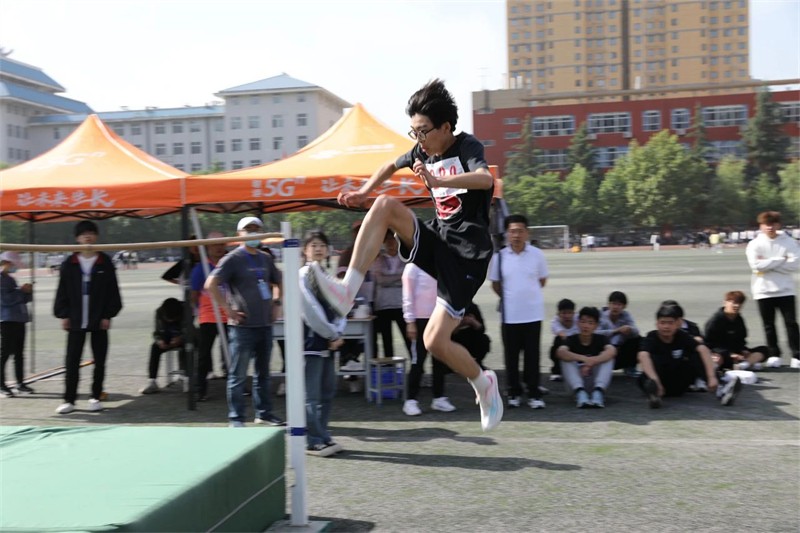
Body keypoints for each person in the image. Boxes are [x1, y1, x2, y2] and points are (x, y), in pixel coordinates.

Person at [305, 79, 503, 431]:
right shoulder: (421, 152)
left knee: (434, 342)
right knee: (383, 205)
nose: (418, 140)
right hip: (440, 240)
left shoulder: (467, 145)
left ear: (445, 127)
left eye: (424, 132)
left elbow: (485, 180)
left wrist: (440, 182)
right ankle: (346, 291)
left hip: (468, 257)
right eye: (414, 132)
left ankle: (483, 383)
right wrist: (364, 191)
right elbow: (389, 165)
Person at [205, 216, 284, 427]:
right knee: (238, 375)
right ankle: (236, 418)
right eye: (248, 230)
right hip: (243, 328)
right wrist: (228, 310)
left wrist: (277, 303)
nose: (253, 233)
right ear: (239, 234)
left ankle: (264, 413)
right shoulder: (232, 259)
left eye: (256, 229)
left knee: (263, 373)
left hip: (264, 324)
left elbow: (279, 280)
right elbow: (211, 284)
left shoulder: (265, 258)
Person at [53, 220, 123, 414]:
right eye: (84, 234)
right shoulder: (70, 263)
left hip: (99, 319)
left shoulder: (105, 262)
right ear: (77, 238)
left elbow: (113, 292)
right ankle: (69, 400)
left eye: (91, 233)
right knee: (72, 361)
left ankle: (95, 397)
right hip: (75, 319)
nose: (87, 236)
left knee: (99, 360)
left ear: (96, 236)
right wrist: (63, 314)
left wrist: (108, 315)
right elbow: (62, 291)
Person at [489, 214, 549, 409]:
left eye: (520, 231)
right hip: (510, 316)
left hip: (533, 314)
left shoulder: (537, 255)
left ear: (527, 232)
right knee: (511, 357)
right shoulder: (499, 257)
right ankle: (513, 392)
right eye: (512, 231)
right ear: (507, 233)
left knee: (532, 356)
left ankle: (534, 394)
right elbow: (495, 284)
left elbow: (542, 280)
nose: (516, 235)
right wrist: (510, 297)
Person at [637, 304, 744, 409]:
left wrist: (711, 377)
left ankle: (721, 390)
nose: (666, 327)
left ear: (677, 324)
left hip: (677, 383)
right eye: (662, 323)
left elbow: (703, 349)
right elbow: (642, 355)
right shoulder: (651, 337)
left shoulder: (682, 335)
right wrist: (656, 382)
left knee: (696, 354)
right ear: (657, 324)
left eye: (670, 323)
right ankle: (654, 395)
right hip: (657, 381)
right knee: (651, 361)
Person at [299, 231, 346, 456]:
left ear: (328, 250)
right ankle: (313, 439)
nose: (318, 249)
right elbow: (310, 309)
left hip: (329, 342)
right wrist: (332, 334)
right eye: (313, 245)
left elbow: (340, 306)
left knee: (327, 393)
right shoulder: (303, 275)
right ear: (305, 250)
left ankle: (323, 434)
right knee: (312, 395)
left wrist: (337, 332)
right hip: (312, 342)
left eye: (322, 245)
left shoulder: (327, 275)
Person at [745, 210, 800, 369]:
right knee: (768, 325)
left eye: (773, 224)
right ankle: (774, 354)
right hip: (762, 290)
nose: (769, 227)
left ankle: (797, 355)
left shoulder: (788, 242)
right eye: (766, 224)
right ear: (761, 226)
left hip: (785, 290)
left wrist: (768, 263)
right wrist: (781, 259)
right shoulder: (754, 244)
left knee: (791, 323)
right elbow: (756, 265)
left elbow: (795, 264)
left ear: (778, 225)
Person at [402, 262, 456, 416]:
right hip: (420, 320)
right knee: (418, 360)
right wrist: (410, 321)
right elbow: (407, 296)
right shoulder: (412, 267)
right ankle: (410, 401)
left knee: (440, 360)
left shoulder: (441, 265)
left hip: (439, 318)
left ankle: (439, 398)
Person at [190, 231, 229, 401]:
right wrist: (198, 310)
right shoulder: (201, 268)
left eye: (221, 244)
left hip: (229, 315)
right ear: (207, 247)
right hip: (208, 317)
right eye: (214, 245)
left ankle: (237, 386)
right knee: (204, 354)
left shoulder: (230, 264)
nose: (218, 248)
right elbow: (193, 295)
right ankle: (200, 389)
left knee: (233, 352)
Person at [556, 306, 617, 408]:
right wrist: (584, 359)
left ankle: (598, 393)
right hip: (575, 384)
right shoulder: (571, 339)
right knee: (566, 358)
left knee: (608, 357)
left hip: (595, 382)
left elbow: (612, 351)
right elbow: (560, 352)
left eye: (590, 323)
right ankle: (580, 393)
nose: (586, 326)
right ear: (577, 323)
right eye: (583, 322)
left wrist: (591, 362)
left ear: (596, 326)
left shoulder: (601, 339)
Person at [704, 290, 769, 372]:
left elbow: (741, 339)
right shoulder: (715, 321)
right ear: (725, 303)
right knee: (718, 358)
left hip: (737, 352)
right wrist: (730, 354)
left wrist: (743, 350)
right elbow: (709, 344)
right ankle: (748, 363)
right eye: (733, 302)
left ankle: (743, 365)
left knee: (764, 350)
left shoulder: (739, 319)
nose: (737, 305)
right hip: (722, 353)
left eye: (739, 303)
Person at [372, 230, 409, 359]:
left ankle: (415, 365)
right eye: (387, 240)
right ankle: (389, 366)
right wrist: (399, 278)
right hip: (383, 305)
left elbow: (407, 278)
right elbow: (380, 280)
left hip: (401, 304)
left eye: (393, 239)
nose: (390, 243)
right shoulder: (379, 259)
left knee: (408, 338)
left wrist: (389, 279)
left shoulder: (405, 258)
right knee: (386, 340)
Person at [1, 251, 33, 397]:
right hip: (6, 320)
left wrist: (27, 292)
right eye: (13, 264)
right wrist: (21, 291)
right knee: (5, 353)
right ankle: (1, 385)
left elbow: (22, 299)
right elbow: (5, 300)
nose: (14, 267)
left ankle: (20, 383)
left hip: (19, 318)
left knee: (19, 353)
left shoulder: (10, 279)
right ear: (6, 263)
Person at [139, 298, 186, 394]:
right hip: (166, 337)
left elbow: (191, 331)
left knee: (188, 347)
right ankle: (152, 381)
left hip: (184, 338)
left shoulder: (187, 311)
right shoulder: (159, 312)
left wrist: (181, 338)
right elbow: (156, 332)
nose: (170, 321)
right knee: (154, 347)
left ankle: (186, 378)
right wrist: (159, 340)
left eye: (172, 319)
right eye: (168, 319)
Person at [597, 291, 641, 376]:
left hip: (620, 353)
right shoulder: (600, 316)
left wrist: (629, 329)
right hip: (604, 351)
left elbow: (636, 331)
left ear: (624, 306)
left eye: (619, 304)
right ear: (608, 304)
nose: (615, 307)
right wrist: (616, 331)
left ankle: (630, 367)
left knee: (638, 339)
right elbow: (595, 333)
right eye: (613, 304)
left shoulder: (626, 315)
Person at [452, 302, 491, 370]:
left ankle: (477, 363)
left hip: (471, 338)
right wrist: (460, 324)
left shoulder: (472, 307)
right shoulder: (450, 308)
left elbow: (482, 329)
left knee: (484, 339)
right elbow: (446, 333)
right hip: (456, 340)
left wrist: (472, 321)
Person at [548, 298, 578, 382]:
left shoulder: (579, 319)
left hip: (578, 344)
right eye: (564, 313)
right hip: (565, 344)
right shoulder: (555, 322)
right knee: (557, 341)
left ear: (574, 313)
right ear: (558, 314)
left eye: (569, 313)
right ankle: (557, 371)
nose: (567, 316)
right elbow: (563, 336)